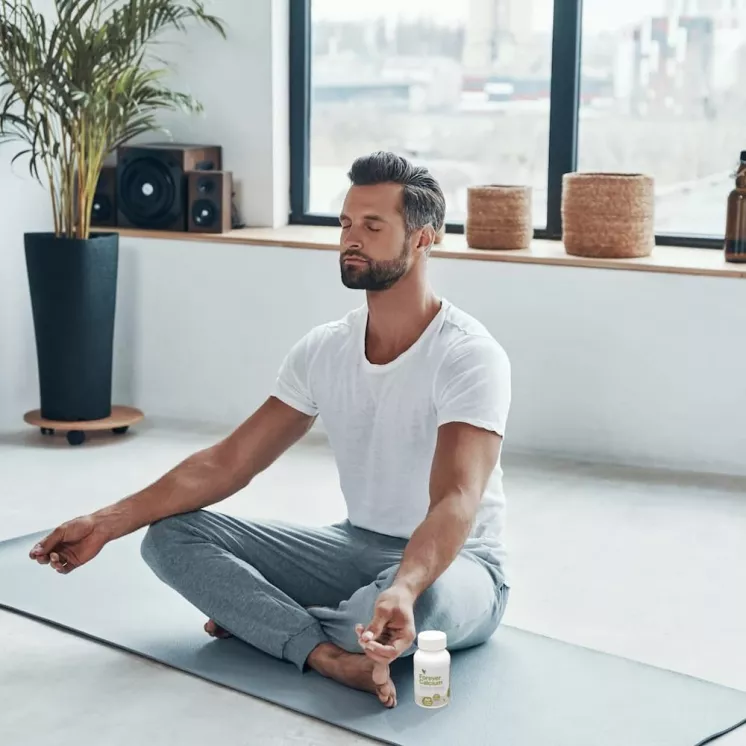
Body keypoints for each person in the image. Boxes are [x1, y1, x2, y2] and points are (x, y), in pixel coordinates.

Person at [28, 151, 512, 709]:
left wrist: (403, 587)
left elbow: (456, 498)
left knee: (420, 610)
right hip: (353, 546)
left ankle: (274, 623)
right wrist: (104, 522)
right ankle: (329, 656)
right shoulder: (325, 348)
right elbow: (228, 462)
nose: (352, 238)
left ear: (425, 239)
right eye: (347, 224)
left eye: (373, 226)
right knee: (168, 537)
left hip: (460, 566)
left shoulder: (469, 355)